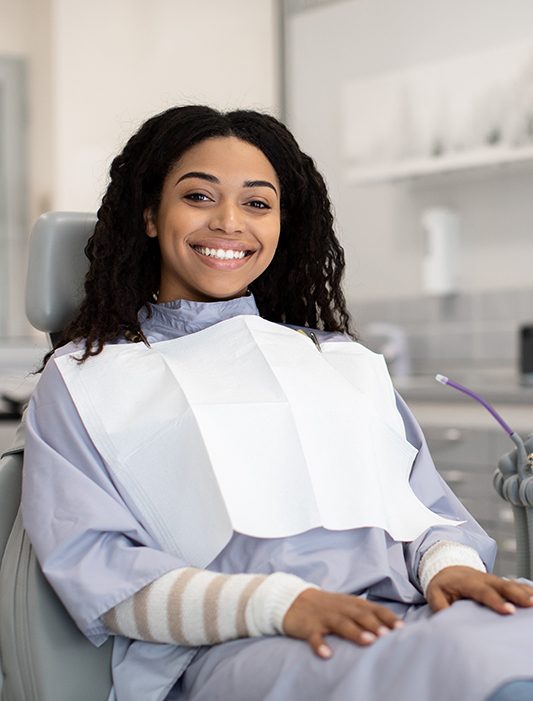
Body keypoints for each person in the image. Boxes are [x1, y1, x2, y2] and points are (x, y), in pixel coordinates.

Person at [22, 105, 533, 701]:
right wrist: (281, 605)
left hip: (414, 611)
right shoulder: (89, 378)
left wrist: (454, 571)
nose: (230, 222)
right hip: (242, 646)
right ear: (150, 216)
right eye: (198, 197)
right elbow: (99, 571)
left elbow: (428, 514)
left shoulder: (341, 360)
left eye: (258, 203)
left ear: (282, 225)